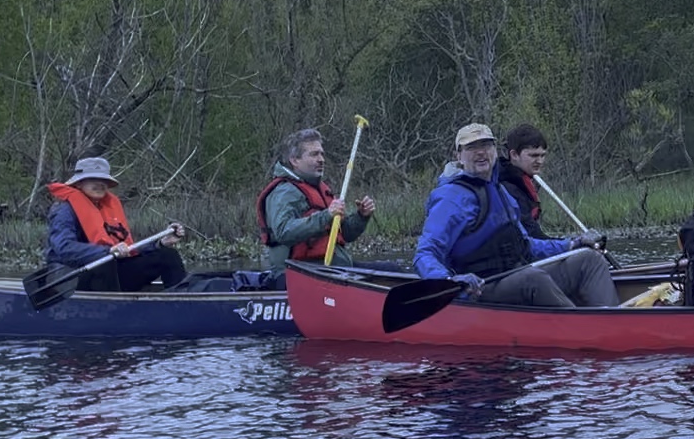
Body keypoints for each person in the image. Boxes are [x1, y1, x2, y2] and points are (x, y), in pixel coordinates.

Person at [415, 123, 617, 307]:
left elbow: (526, 245)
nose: (481, 152)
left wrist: (572, 245)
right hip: (479, 288)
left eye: (486, 145)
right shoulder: (450, 199)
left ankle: (611, 319)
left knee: (588, 259)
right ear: (459, 156)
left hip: (515, 274)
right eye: (472, 147)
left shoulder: (502, 193)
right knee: (533, 278)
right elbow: (425, 254)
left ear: (495, 151)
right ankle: (583, 327)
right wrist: (449, 281)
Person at [46, 156, 186, 292]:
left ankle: (181, 299)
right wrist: (107, 252)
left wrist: (160, 243)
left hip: (111, 272)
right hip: (75, 277)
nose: (100, 184)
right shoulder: (64, 210)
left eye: (104, 180)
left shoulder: (106, 207)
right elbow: (64, 248)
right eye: (93, 179)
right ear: (79, 183)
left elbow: (128, 248)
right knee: (106, 263)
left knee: (167, 256)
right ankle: (113, 304)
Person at [256, 128, 375, 273]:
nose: (321, 159)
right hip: (299, 274)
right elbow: (284, 232)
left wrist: (361, 216)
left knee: (390, 270)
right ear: (295, 160)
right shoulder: (284, 192)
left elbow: (344, 235)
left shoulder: (319, 188)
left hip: (331, 269)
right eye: (314, 154)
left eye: (321, 154)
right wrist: (326, 215)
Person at [497, 123, 552, 239]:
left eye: (542, 156)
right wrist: (572, 243)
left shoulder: (523, 183)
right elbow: (531, 236)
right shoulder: (507, 188)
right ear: (514, 155)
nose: (540, 161)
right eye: (533, 156)